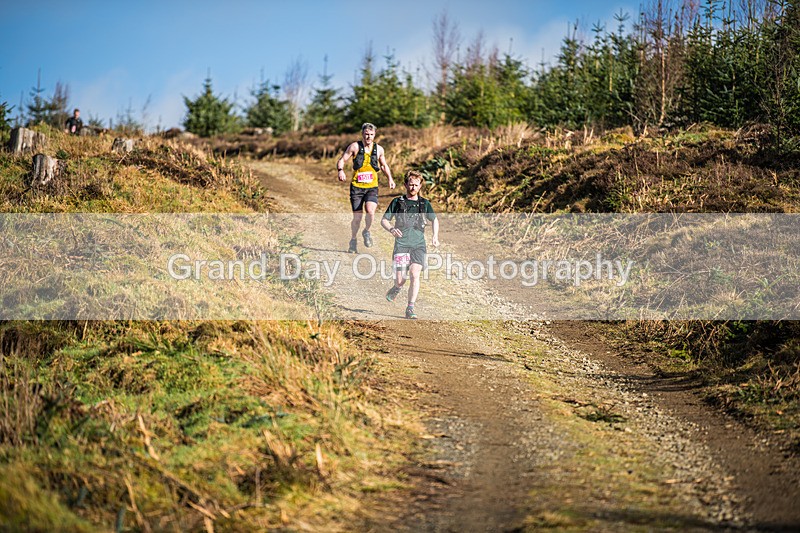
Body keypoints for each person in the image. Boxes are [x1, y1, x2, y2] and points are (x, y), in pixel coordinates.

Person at [381, 170, 439, 319]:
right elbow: (384, 220)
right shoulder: (397, 202)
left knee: (414, 274)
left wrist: (435, 236)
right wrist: (392, 229)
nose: (413, 187)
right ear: (405, 184)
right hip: (401, 245)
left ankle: (410, 308)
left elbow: (435, 220)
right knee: (401, 280)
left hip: (418, 246)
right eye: (411, 184)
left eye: (416, 185)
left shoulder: (424, 203)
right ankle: (396, 287)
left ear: (420, 186)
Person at [336, 122, 395, 253]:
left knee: (370, 211)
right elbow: (342, 159)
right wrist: (340, 170)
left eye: (371, 135)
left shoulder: (379, 149)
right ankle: (353, 240)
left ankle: (367, 231)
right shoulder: (354, 147)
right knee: (357, 218)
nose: (368, 137)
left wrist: (390, 179)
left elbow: (384, 166)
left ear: (375, 135)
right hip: (356, 187)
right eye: (366, 134)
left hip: (372, 187)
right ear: (362, 134)